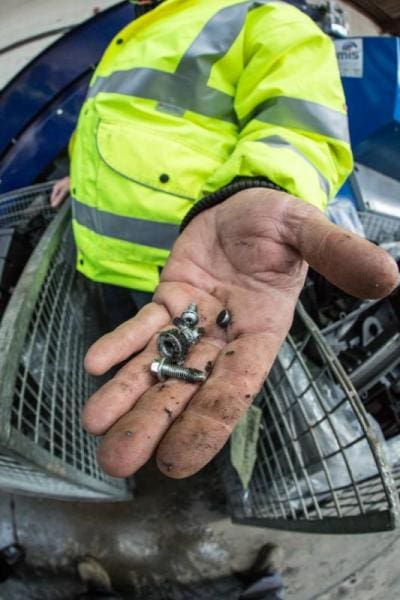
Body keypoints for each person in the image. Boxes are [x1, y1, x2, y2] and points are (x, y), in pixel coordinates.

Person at [51, 0, 399, 482]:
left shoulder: (265, 19)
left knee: (210, 397)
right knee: (132, 380)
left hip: (199, 278)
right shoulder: (138, 29)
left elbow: (301, 130)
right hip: (108, 267)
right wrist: (78, 173)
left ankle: (223, 481)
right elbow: (114, 120)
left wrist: (260, 187)